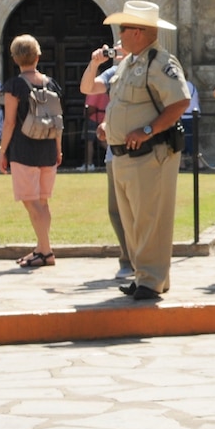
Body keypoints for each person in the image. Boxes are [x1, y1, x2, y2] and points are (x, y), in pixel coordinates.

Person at [79, 0, 190, 302]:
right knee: (132, 220)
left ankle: (151, 281)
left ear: (139, 32)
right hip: (124, 154)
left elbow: (180, 102)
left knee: (150, 218)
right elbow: (94, 90)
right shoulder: (129, 63)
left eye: (124, 27)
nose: (121, 33)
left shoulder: (160, 62)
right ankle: (147, 276)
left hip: (150, 153)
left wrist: (147, 130)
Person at [0, 35, 65, 268]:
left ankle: (45, 251)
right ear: (38, 56)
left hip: (24, 148)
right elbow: (58, 119)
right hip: (48, 146)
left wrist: (2, 151)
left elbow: (9, 123)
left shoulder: (14, 85)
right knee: (42, 202)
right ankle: (41, 247)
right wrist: (58, 148)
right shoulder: (52, 83)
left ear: (16, 59)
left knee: (30, 201)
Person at [90, 43, 134, 279]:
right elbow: (87, 86)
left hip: (142, 152)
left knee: (140, 210)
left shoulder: (149, 68)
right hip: (114, 152)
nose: (119, 48)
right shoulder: (112, 73)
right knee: (116, 210)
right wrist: (95, 63)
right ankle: (127, 258)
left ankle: (146, 260)